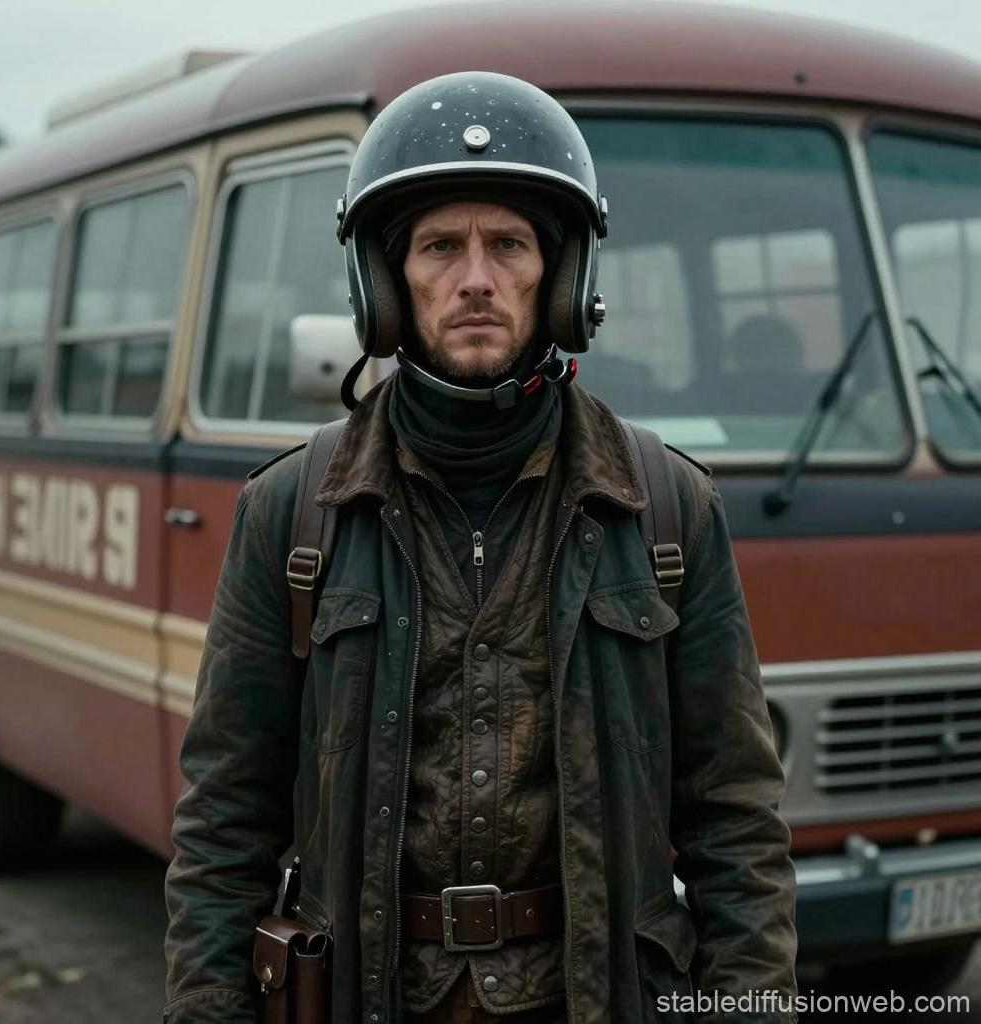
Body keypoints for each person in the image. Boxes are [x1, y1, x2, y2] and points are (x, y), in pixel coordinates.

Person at [164, 71, 798, 1024]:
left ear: (565, 278)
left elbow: (736, 820)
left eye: (507, 244)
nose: (474, 279)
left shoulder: (666, 509)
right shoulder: (292, 514)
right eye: (437, 248)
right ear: (384, 286)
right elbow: (223, 819)